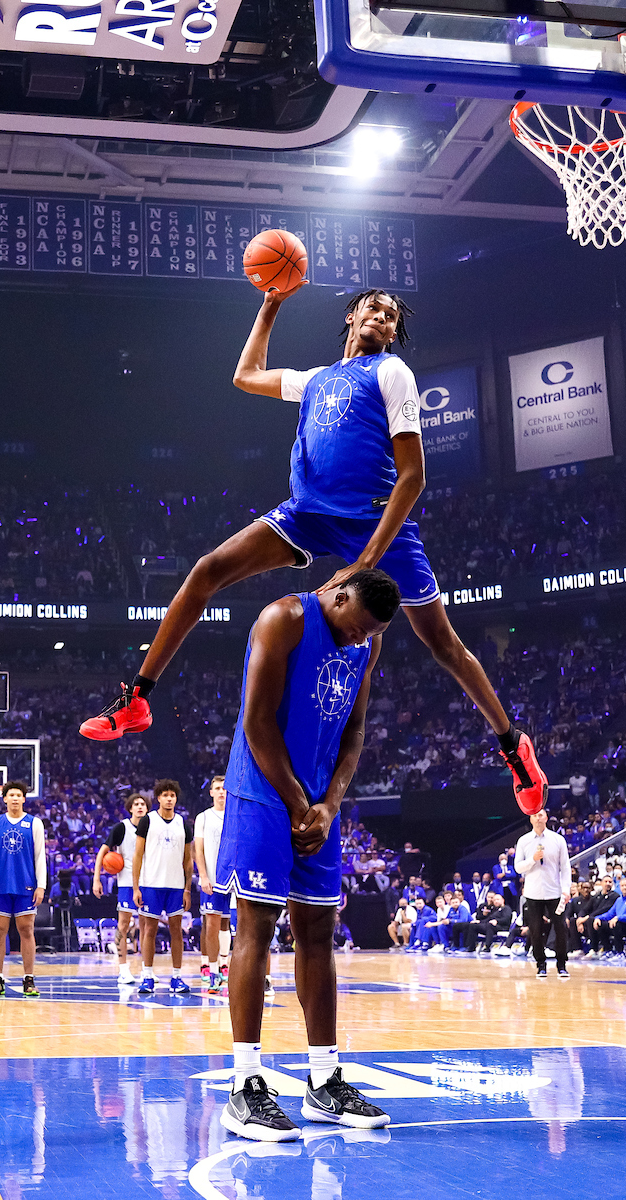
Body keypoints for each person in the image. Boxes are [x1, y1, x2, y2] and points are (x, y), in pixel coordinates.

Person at [79, 289, 547, 818]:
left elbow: (413, 477)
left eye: (392, 316)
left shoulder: (392, 373)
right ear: (352, 315)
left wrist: (367, 561)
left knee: (442, 644)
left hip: (375, 519)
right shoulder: (316, 379)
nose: (383, 317)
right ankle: (138, 697)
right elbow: (245, 374)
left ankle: (513, 747)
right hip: (307, 513)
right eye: (374, 308)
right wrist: (273, 302)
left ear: (393, 333)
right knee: (206, 570)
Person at [216, 568, 400, 1140]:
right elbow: (256, 722)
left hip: (319, 802)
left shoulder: (364, 641)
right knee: (256, 926)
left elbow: (356, 735)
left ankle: (324, 1083)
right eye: (355, 626)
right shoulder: (284, 619)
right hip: (263, 792)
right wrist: (299, 803)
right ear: (338, 596)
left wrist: (329, 804)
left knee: (319, 932)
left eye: (369, 634)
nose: (358, 639)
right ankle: (244, 1085)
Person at [0, 780, 47, 998]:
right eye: (11, 795)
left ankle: (28, 979)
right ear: (4, 799)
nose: (15, 799)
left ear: (24, 799)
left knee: (26, 931)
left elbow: (40, 857)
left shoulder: (34, 823)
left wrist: (41, 886)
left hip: (26, 884)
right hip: (0, 884)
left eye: (18, 795)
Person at [132, 778, 193, 996]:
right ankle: (147, 975)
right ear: (158, 798)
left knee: (177, 931)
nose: (169, 799)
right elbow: (137, 855)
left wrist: (187, 889)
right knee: (150, 929)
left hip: (176, 886)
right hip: (151, 885)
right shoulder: (147, 821)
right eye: (165, 795)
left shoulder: (183, 824)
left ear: (176, 799)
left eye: (172, 795)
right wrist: (136, 887)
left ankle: (176, 977)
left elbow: (188, 860)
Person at [92, 792, 150, 986]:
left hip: (149, 880)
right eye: (136, 804)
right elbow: (102, 852)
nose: (140, 807)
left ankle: (146, 971)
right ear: (130, 808)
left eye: (143, 804)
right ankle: (123, 970)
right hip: (126, 882)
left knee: (147, 927)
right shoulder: (121, 828)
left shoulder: (152, 827)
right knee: (123, 925)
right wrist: (96, 879)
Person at [514, 809, 571, 980]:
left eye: (540, 815)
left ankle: (562, 965)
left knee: (560, 929)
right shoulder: (524, 841)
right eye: (534, 816)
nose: (538, 818)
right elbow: (518, 868)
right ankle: (541, 965)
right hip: (533, 893)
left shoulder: (558, 840)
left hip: (554, 892)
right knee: (535, 930)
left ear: (546, 817)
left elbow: (565, 867)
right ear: (530, 819)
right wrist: (533, 859)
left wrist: (566, 889)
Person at [194, 775, 231, 991]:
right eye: (217, 788)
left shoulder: (235, 816)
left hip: (232, 880)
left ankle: (225, 964)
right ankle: (212, 968)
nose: (221, 792)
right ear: (211, 792)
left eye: (224, 789)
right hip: (212, 879)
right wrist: (203, 876)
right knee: (211, 925)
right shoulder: (203, 817)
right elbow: (198, 850)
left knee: (227, 925)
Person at [592, 876, 626, 958]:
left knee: (617, 924)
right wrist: (598, 918)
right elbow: (609, 914)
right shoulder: (619, 900)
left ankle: (620, 953)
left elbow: (617, 917)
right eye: (622, 885)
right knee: (602, 925)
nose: (624, 887)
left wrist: (618, 918)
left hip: (623, 924)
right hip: (619, 924)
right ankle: (608, 950)